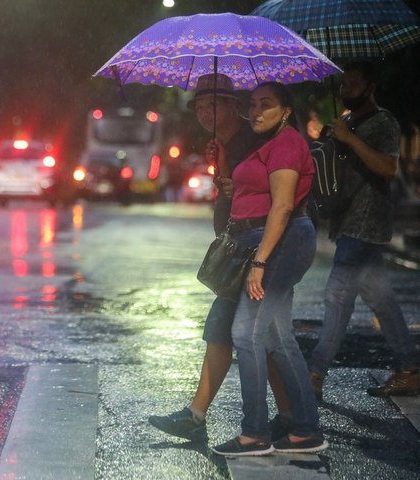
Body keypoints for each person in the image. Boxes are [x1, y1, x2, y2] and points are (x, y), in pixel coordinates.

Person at [148, 73, 293, 442]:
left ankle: (222, 420)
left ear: (232, 105)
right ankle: (292, 415)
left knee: (237, 330)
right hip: (241, 244)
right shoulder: (225, 141)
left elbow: (265, 194)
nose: (204, 112)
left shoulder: (254, 137)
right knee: (260, 334)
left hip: (256, 247)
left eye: (212, 105)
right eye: (198, 106)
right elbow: (232, 191)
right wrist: (222, 167)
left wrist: (260, 257)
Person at [210, 81, 327, 456]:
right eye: (253, 104)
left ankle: (255, 433)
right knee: (277, 336)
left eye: (267, 104)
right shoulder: (264, 144)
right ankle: (305, 429)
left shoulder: (288, 143)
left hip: (282, 242)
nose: (256, 111)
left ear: (286, 110)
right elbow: (247, 193)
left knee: (246, 332)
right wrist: (225, 166)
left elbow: (281, 207)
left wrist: (260, 261)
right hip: (266, 242)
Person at [308, 61, 420, 399]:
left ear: (370, 88)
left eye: (353, 84)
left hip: (366, 221)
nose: (345, 90)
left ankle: (314, 375)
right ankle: (409, 368)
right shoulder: (345, 121)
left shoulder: (384, 122)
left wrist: (350, 140)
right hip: (347, 221)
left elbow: (387, 167)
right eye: (343, 84)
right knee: (381, 300)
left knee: (337, 298)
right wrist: (333, 138)